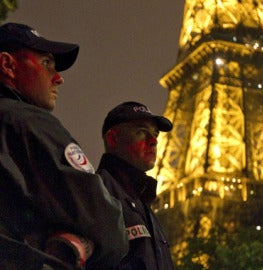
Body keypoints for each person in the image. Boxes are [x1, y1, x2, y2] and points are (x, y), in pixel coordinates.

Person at [0, 22, 128, 269]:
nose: (58, 78)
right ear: (8, 65)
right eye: (46, 63)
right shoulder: (27, 123)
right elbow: (107, 225)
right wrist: (79, 243)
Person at [95, 101, 174, 269]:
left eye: (155, 134)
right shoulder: (97, 193)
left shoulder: (143, 204)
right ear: (113, 139)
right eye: (141, 132)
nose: (153, 141)